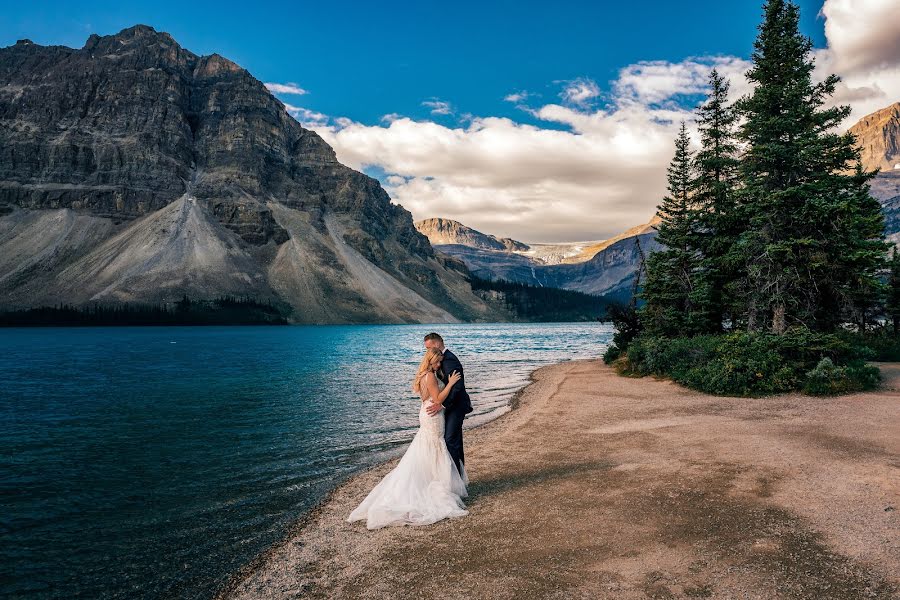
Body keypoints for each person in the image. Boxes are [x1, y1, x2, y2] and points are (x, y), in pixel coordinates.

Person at [347, 347, 469, 529]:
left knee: (430, 447)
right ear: (430, 360)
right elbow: (438, 399)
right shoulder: (429, 376)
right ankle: (433, 483)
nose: (439, 365)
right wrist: (450, 384)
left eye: (440, 362)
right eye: (437, 362)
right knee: (435, 446)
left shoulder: (425, 375)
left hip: (429, 414)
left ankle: (433, 479)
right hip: (433, 414)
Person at [423, 332, 472, 477]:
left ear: (437, 344)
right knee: (454, 441)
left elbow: (457, 387)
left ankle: (455, 479)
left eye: (429, 347)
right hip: (449, 406)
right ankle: (458, 479)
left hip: (455, 406)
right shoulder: (438, 362)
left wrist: (442, 405)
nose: (427, 352)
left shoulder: (449, 360)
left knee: (451, 441)